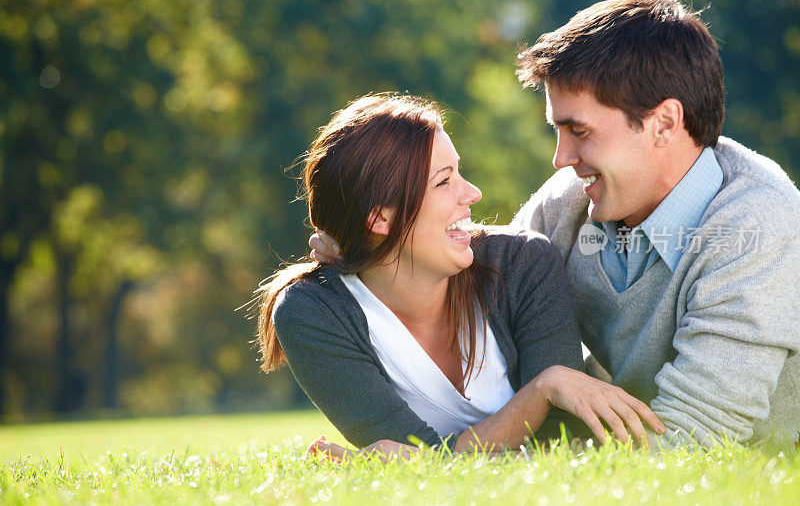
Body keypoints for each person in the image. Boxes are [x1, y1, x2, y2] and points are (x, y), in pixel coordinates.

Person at [312, 0, 800, 451]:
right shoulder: (569, 205)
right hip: (628, 456)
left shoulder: (756, 227)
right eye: (557, 130)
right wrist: (371, 247)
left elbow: (691, 442)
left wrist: (448, 466)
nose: (561, 158)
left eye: (579, 131)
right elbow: (481, 275)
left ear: (664, 124)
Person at [255, 93, 664, 460]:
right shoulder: (313, 313)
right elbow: (420, 458)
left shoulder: (523, 263)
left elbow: (564, 443)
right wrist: (540, 392)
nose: (472, 194)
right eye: (444, 181)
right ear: (380, 217)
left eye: (459, 173)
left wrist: (424, 462)